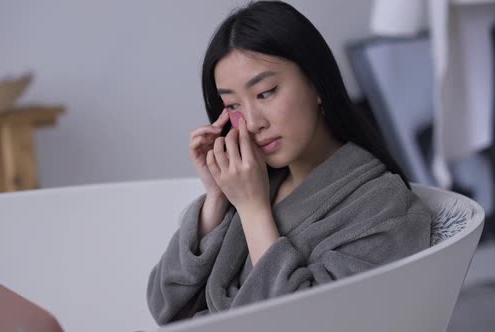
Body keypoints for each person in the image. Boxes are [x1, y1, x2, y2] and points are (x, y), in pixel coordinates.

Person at [147, 0, 432, 326]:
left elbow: (303, 324)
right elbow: (164, 307)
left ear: (317, 84)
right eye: (233, 105)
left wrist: (254, 211)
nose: (252, 122)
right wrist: (216, 198)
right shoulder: (254, 186)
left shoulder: (383, 205)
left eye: (266, 92)